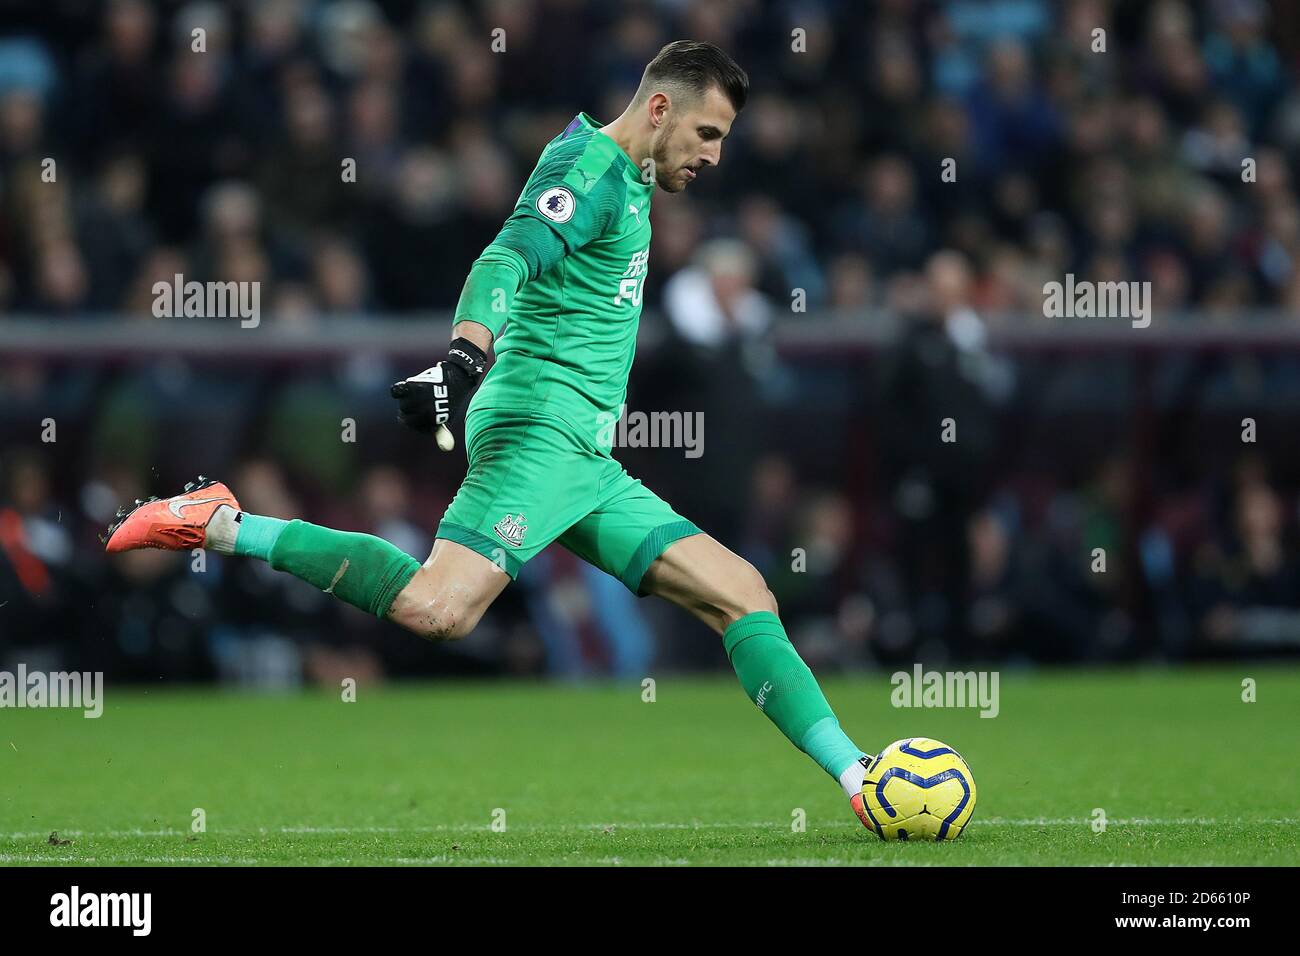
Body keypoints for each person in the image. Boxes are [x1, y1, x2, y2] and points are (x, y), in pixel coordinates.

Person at [104, 40, 877, 829]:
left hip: (583, 455)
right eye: (708, 133)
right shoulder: (590, 173)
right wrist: (464, 357)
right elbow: (505, 257)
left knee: (743, 595)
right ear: (659, 109)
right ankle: (221, 523)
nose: (715, 155)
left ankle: (861, 779)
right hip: (536, 430)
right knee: (439, 609)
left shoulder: (630, 179)